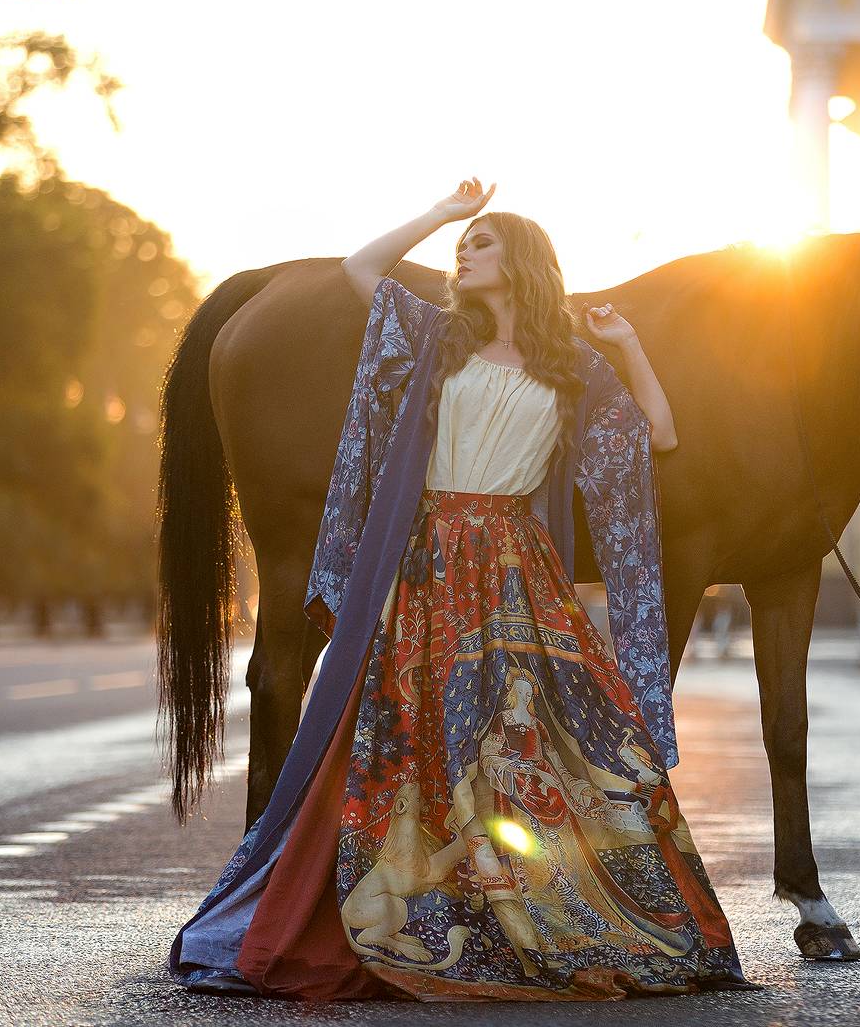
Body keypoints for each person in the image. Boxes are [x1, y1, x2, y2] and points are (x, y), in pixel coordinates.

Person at [167, 178, 758, 1000]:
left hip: (520, 568)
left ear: (519, 260)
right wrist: (441, 212)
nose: (463, 252)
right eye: (462, 243)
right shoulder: (439, 336)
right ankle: (421, 916)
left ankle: (561, 914)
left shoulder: (572, 365)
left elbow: (660, 432)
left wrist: (627, 346)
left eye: (480, 242)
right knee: (411, 740)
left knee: (555, 743)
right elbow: (362, 268)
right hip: (430, 563)